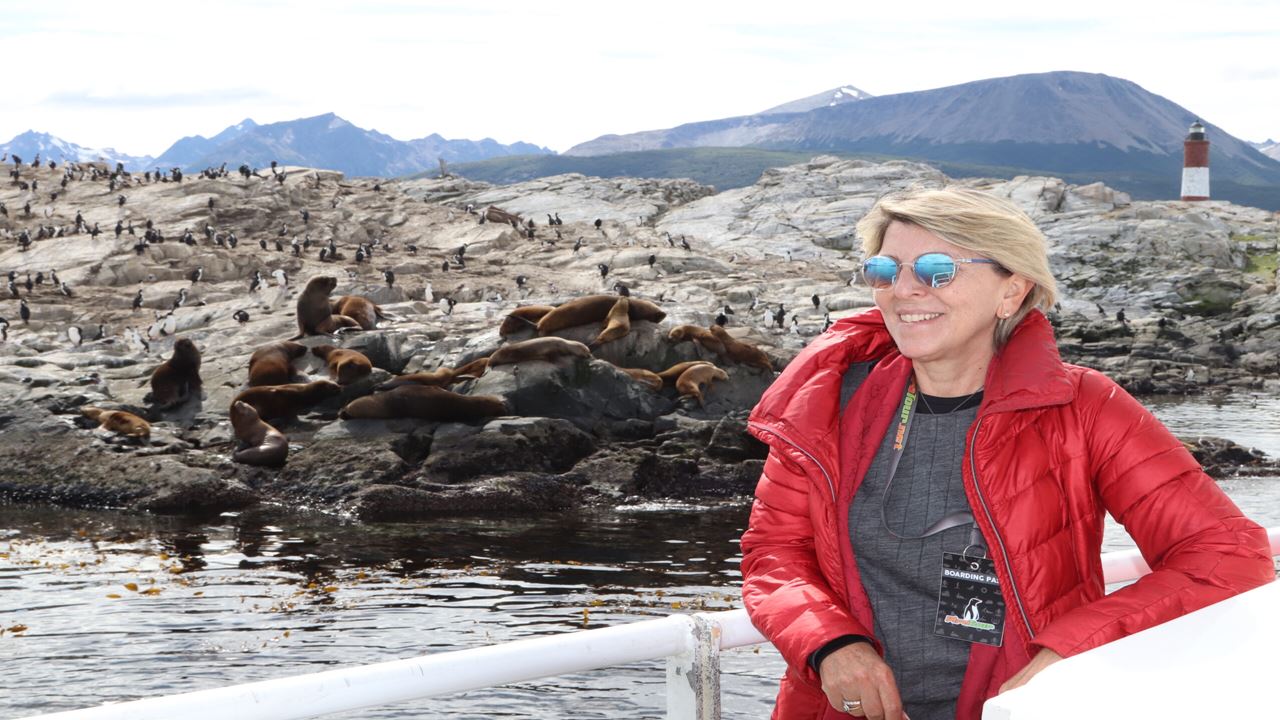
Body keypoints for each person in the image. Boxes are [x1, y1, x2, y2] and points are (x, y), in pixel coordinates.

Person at [739, 187, 1273, 720]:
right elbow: (773, 553)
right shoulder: (827, 403)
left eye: (936, 270)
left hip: (1017, 707)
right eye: (885, 269)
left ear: (1011, 292)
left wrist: (1067, 652)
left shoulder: (1084, 406)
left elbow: (1227, 555)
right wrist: (831, 646)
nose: (903, 290)